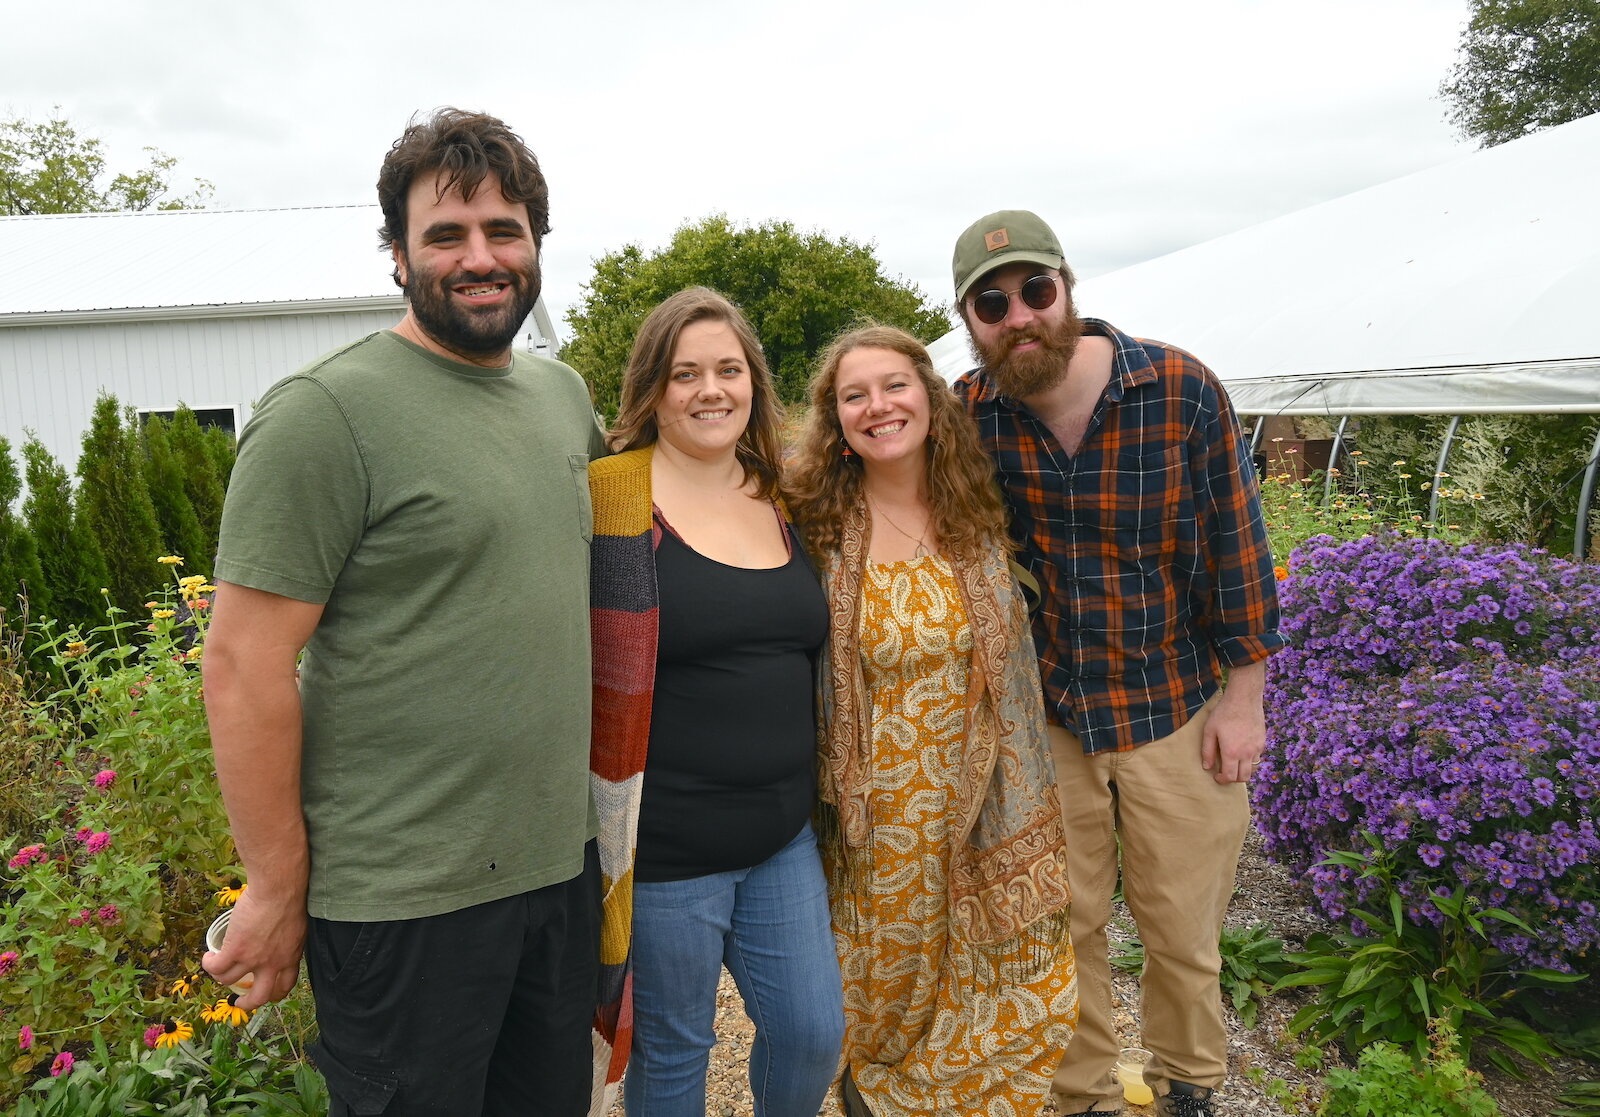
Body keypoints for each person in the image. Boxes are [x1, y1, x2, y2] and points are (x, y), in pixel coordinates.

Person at [201, 108, 606, 1117]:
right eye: (446, 234)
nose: (481, 258)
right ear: (396, 256)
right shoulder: (326, 415)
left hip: (556, 873)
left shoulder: (563, 398)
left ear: (536, 247)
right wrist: (275, 887)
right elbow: (244, 665)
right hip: (406, 900)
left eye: (504, 231)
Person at [947, 210, 1285, 1117]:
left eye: (1034, 291)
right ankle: (1083, 1093)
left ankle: (1189, 1082)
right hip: (1048, 717)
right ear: (968, 318)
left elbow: (1237, 546)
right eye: (991, 302)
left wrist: (1243, 699)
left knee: (1184, 927)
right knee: (1065, 924)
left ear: (1067, 287)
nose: (1018, 316)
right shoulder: (968, 417)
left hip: (1173, 703)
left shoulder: (1178, 389)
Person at [786, 324, 1076, 1117]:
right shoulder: (813, 524)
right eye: (855, 395)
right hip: (876, 815)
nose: (878, 406)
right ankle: (870, 1096)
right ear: (835, 417)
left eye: (895, 385)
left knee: (1014, 986)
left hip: (984, 793)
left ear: (931, 397)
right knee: (882, 991)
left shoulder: (977, 510)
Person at [587, 287, 844, 1117]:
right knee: (673, 1052)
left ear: (754, 383)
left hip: (781, 834)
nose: (710, 389)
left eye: (728, 369)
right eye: (685, 372)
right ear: (652, 388)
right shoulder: (611, 498)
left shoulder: (786, 494)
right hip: (667, 850)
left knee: (811, 1033)